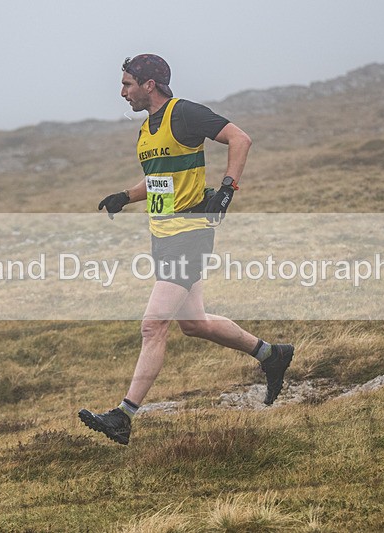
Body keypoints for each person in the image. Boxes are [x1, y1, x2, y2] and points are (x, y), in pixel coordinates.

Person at [78, 54, 294, 445]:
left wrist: (227, 189)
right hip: (164, 234)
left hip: (190, 233)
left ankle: (123, 416)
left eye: (127, 84)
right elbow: (160, 181)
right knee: (193, 323)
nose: (122, 92)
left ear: (150, 84)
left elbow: (240, 138)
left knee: (153, 324)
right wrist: (124, 197)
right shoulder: (147, 130)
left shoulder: (184, 114)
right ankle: (271, 355)